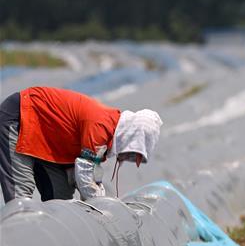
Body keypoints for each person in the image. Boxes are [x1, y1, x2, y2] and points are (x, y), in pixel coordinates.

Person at [0, 86, 163, 202]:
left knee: (61, 198)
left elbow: (85, 175)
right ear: (129, 136)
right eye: (132, 152)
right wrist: (102, 208)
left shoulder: (106, 134)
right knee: (20, 198)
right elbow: (85, 175)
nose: (128, 157)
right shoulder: (100, 127)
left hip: (48, 137)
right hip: (21, 115)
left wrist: (100, 198)